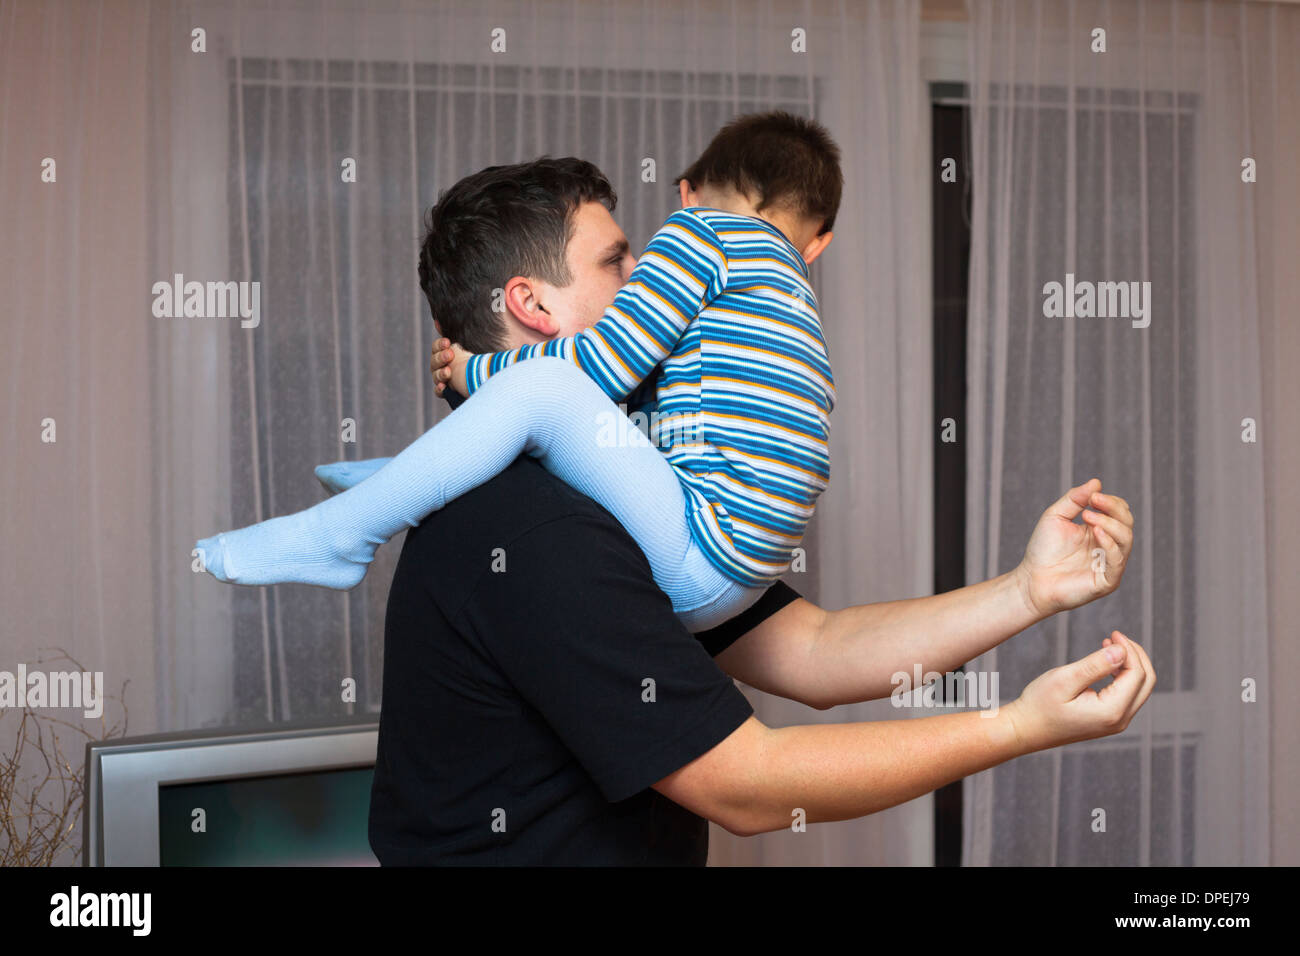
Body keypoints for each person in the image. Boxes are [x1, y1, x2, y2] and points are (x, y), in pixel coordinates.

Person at [353, 156, 1153, 863]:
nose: (652, 281)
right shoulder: (530, 522)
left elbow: (814, 652)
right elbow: (749, 786)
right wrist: (1020, 725)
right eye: (619, 264)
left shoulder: (618, 494)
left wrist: (1030, 589)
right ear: (532, 305)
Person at [193, 112, 840, 633]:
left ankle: (339, 534)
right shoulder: (787, 293)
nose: (642, 268)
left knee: (551, 388)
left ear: (688, 192)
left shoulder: (700, 233)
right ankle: (407, 478)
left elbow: (603, 368)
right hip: (741, 572)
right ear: (817, 243)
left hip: (702, 549)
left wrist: (480, 372)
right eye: (617, 261)